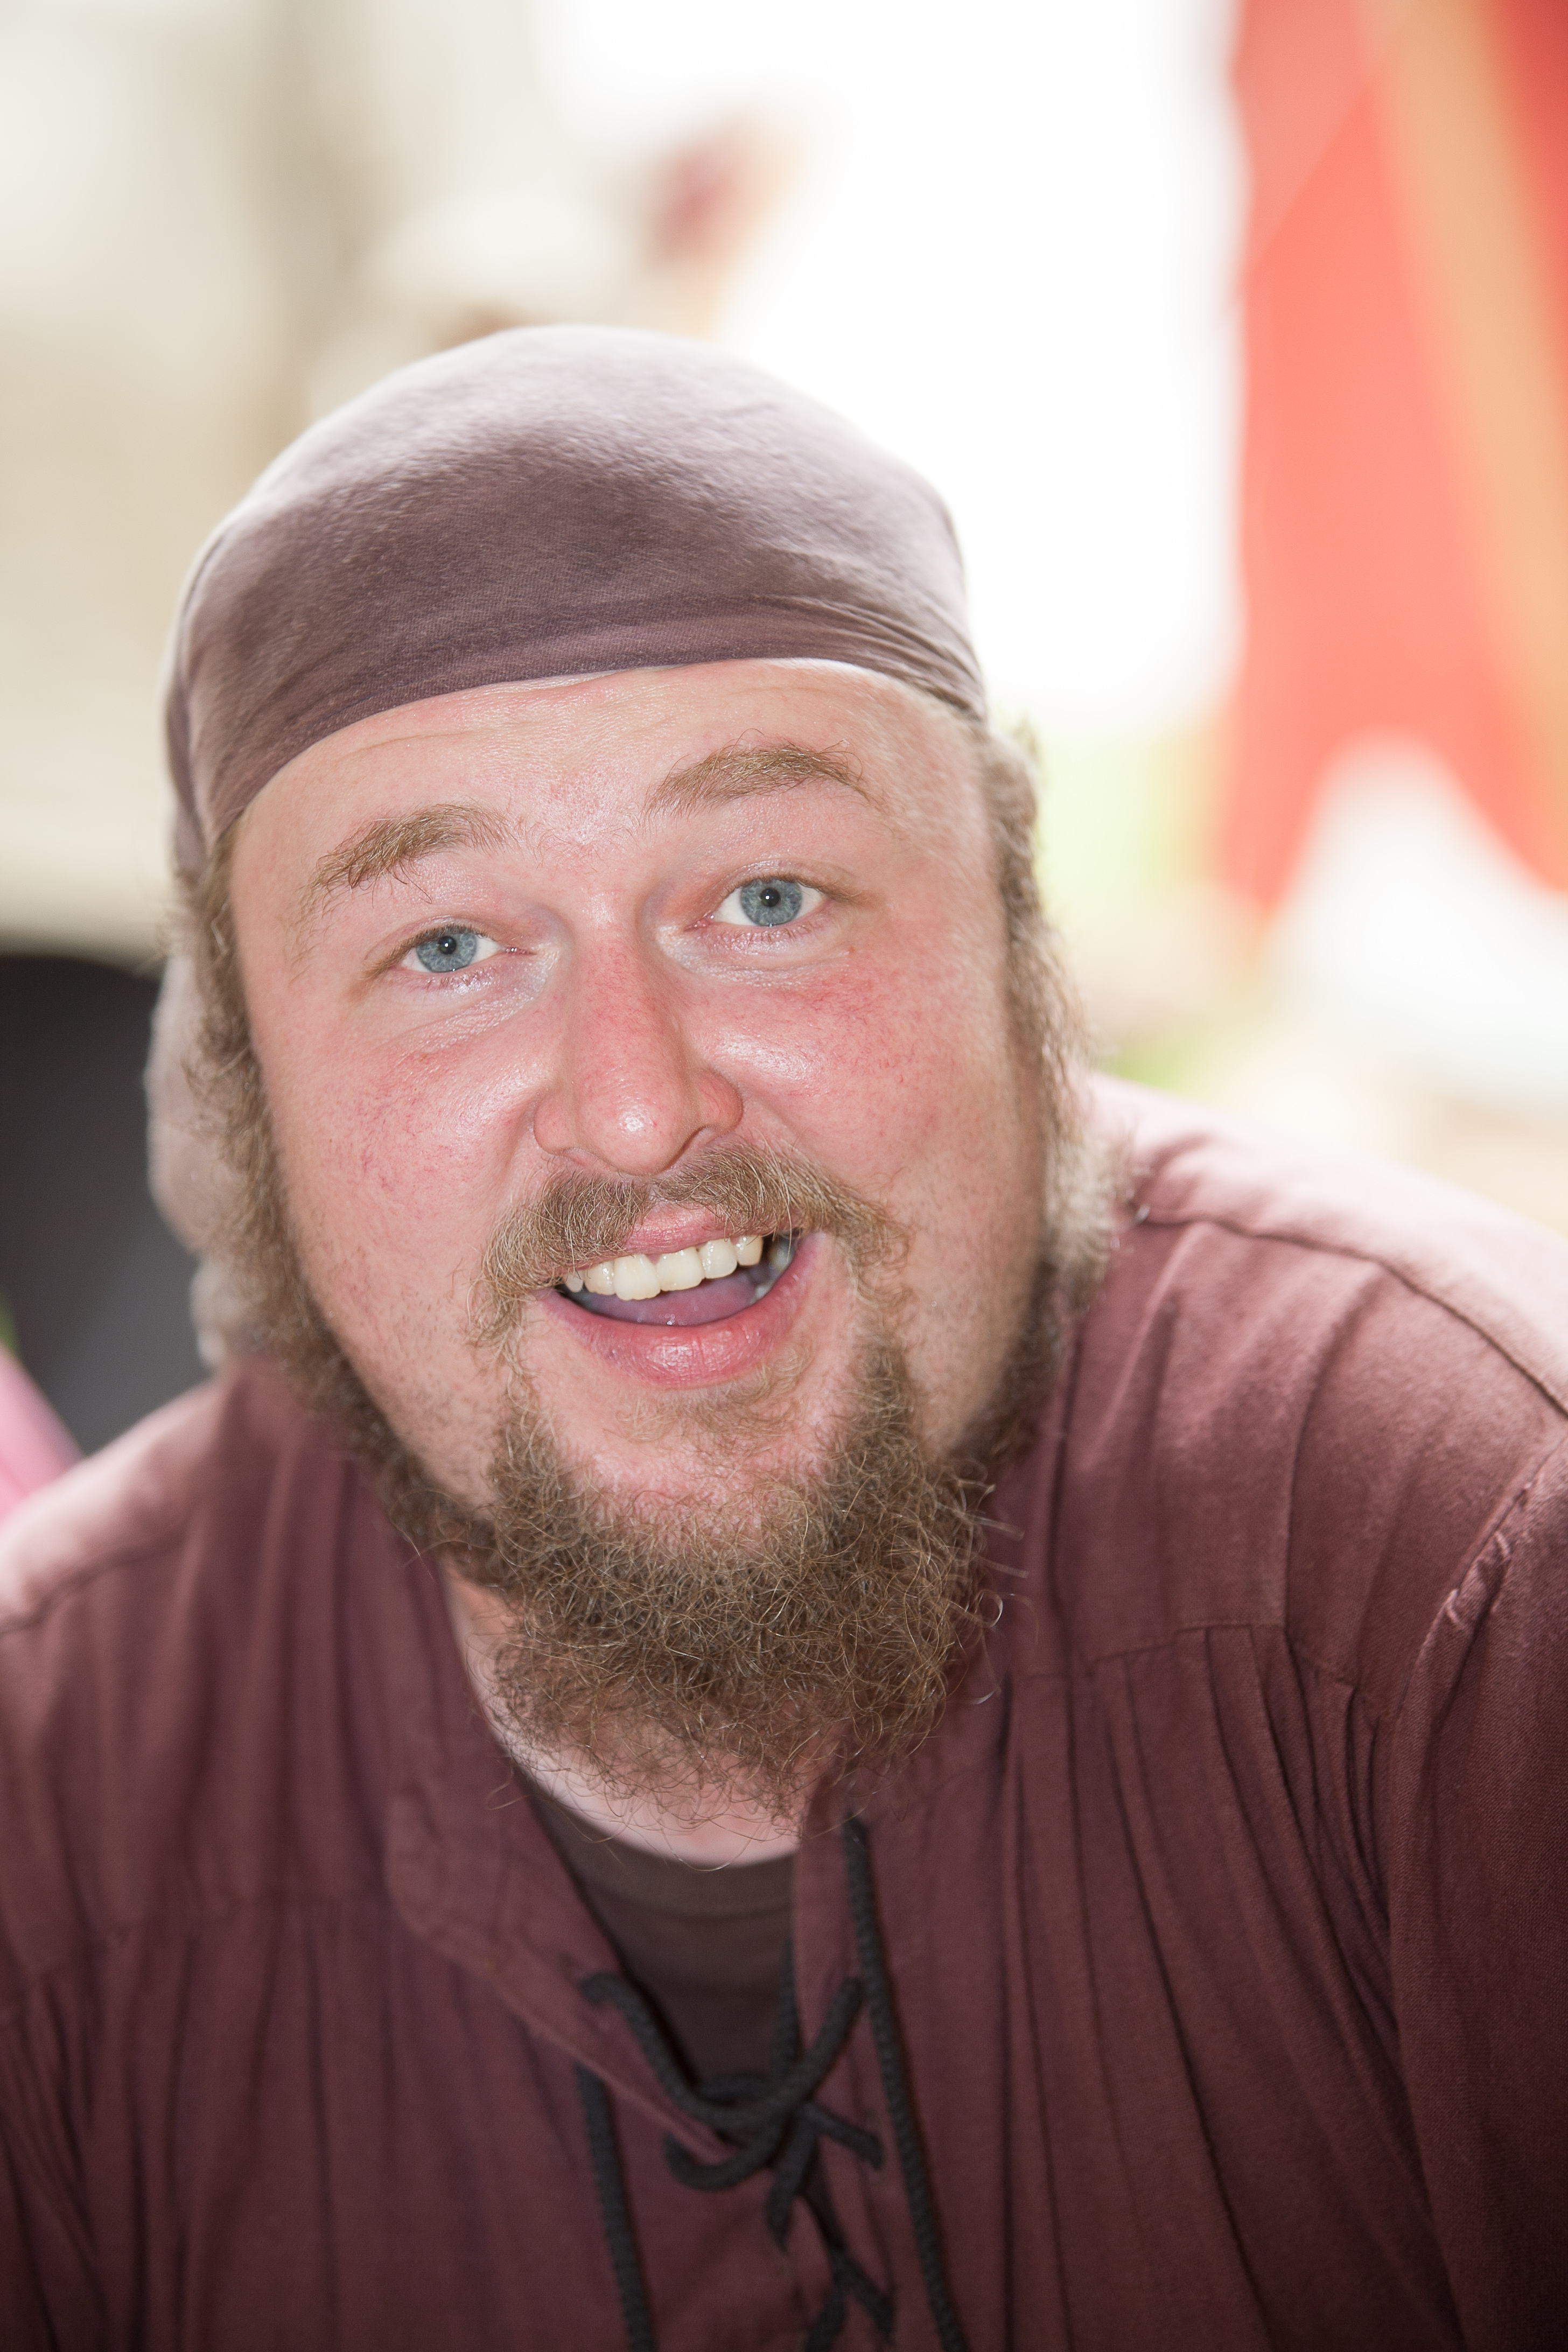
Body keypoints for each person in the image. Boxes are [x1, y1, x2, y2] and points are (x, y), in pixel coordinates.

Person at [1, 328, 1563, 2352]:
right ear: (248, 1091)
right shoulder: (51, 1799)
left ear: (1013, 940)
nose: (637, 1107)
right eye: (448, 947)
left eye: (768, 898)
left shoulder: (1469, 1564)